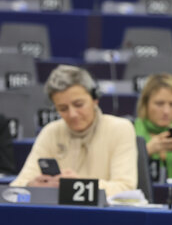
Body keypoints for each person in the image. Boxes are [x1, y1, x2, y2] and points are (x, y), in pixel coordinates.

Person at [11, 65, 137, 197]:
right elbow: (16, 186)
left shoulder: (120, 128)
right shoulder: (51, 132)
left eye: (78, 105)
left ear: (95, 99)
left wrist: (78, 184)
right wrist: (31, 186)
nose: (72, 114)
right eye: (63, 108)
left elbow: (126, 189)